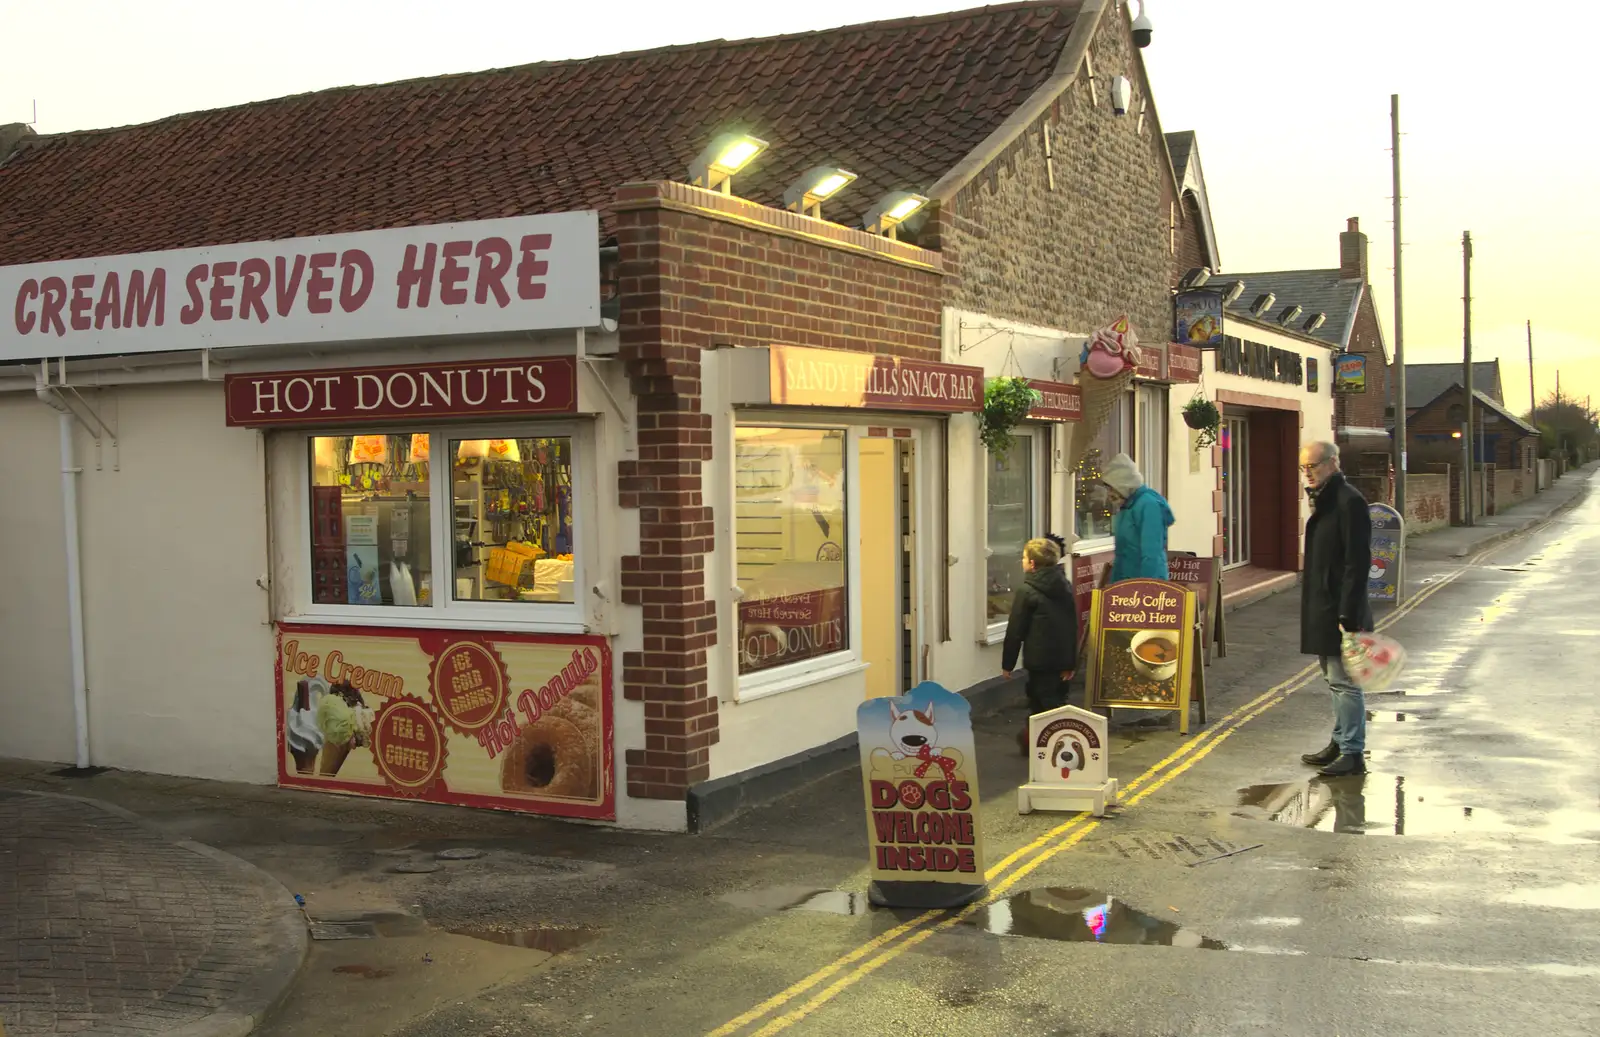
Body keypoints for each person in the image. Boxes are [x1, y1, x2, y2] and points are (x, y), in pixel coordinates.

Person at [1297, 441, 1374, 777]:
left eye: (1313, 466)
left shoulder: (1349, 502)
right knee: (1332, 679)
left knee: (1345, 682)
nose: (1308, 473)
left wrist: (1347, 614)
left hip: (1341, 610)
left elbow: (1358, 562)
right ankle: (1340, 740)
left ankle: (1352, 752)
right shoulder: (1325, 501)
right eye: (1303, 468)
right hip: (1324, 605)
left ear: (1333, 463)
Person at [1002, 537, 1079, 753]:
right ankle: (1041, 743)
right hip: (1061, 659)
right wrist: (1070, 663)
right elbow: (1071, 626)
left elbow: (1016, 630)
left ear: (1033, 564)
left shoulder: (1026, 591)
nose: (1022, 561)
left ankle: (1057, 744)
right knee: (1054, 700)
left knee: (1041, 703)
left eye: (1024, 558)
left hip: (1039, 660)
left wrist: (1008, 663)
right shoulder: (1064, 586)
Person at [1101, 453, 1174, 584]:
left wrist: (1147, 588)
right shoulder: (1126, 507)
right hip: (1125, 585)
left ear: (1123, 484)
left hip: (1144, 588)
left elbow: (1151, 554)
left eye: (1112, 488)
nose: (1109, 494)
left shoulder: (1148, 505)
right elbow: (1122, 554)